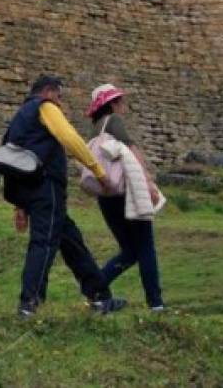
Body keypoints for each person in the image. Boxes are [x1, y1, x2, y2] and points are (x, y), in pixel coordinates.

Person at [2, 74, 126, 317]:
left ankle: (100, 297)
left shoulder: (19, 119)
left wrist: (19, 204)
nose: (60, 102)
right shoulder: (45, 107)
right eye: (59, 96)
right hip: (46, 187)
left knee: (71, 241)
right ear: (49, 92)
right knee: (44, 242)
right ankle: (29, 304)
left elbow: (10, 161)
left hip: (30, 190)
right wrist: (99, 171)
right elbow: (70, 138)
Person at [86, 83, 165, 311]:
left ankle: (94, 288)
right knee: (145, 247)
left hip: (107, 195)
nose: (124, 106)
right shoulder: (114, 122)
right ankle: (156, 303)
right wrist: (148, 182)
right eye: (120, 101)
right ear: (111, 104)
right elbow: (131, 150)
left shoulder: (94, 131)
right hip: (126, 193)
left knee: (130, 251)